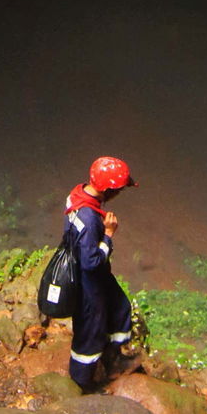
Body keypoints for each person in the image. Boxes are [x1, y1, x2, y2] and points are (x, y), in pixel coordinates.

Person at [64, 156, 138, 391]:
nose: (119, 193)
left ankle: (111, 358)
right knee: (90, 331)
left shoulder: (77, 194)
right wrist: (108, 235)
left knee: (120, 308)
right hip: (88, 282)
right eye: (118, 189)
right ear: (109, 189)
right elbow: (91, 262)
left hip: (96, 277)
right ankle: (82, 383)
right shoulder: (89, 219)